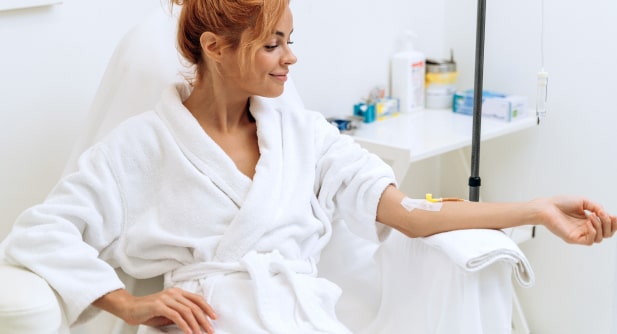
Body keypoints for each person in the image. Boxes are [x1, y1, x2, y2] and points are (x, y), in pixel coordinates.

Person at [4, 0, 616, 333]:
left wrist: (535, 208)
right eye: (273, 43)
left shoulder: (303, 134)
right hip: (210, 322)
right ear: (215, 49)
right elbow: (40, 231)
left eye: (290, 39)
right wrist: (128, 304)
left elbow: (408, 213)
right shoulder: (141, 145)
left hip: (301, 317)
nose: (291, 58)